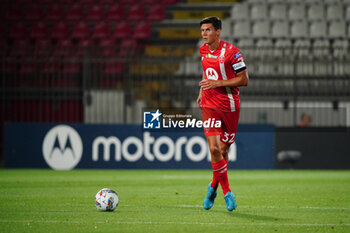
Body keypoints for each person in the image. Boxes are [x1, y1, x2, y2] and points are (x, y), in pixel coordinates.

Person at [197, 16, 249, 211]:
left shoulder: (233, 53)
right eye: (202, 30)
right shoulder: (203, 50)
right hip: (209, 105)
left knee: (224, 151)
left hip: (229, 106)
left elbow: (244, 80)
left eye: (208, 30)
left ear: (218, 31)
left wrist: (217, 83)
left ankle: (212, 187)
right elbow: (206, 71)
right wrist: (202, 91)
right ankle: (227, 192)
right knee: (213, 150)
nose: (204, 34)